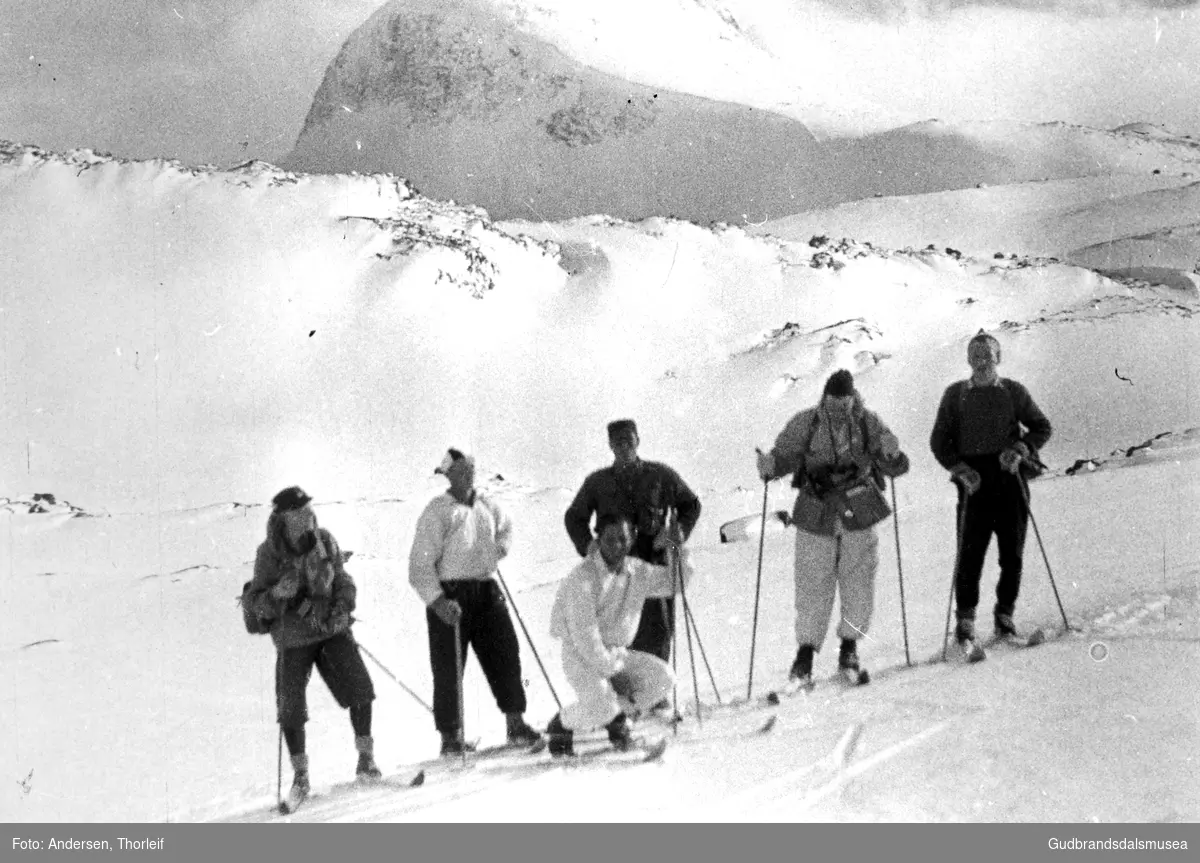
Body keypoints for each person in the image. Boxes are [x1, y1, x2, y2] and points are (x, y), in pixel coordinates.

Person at [757, 370, 910, 686]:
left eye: (844, 402)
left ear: (852, 398)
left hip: (858, 504)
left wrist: (892, 453)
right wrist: (770, 466)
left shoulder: (868, 422)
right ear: (824, 398)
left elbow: (894, 464)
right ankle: (805, 653)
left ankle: (849, 647)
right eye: (833, 402)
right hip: (818, 507)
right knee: (813, 581)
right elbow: (783, 458)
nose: (839, 407)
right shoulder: (806, 423)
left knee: (859, 579)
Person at [244, 486, 381, 811]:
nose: (308, 514)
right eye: (301, 510)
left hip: (330, 630)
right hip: (293, 639)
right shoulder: (268, 554)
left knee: (361, 688)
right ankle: (301, 775)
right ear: (285, 516)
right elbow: (255, 603)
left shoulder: (325, 539)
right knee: (290, 706)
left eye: (308, 509)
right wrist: (277, 593)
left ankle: (366, 758)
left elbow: (343, 580)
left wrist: (343, 608)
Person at [408, 448, 541, 756]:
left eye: (471, 469)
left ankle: (516, 723)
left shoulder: (487, 505)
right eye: (460, 471)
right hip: (450, 594)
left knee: (506, 654)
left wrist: (498, 550)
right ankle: (451, 737)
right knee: (449, 667)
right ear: (448, 475)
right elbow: (419, 565)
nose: (467, 475)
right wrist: (438, 601)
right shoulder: (438, 510)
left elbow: (506, 529)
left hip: (485, 589)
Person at [929, 331, 1052, 646]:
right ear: (969, 360)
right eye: (976, 356)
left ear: (999, 358)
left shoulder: (1013, 392)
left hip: (1009, 478)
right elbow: (939, 441)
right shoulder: (955, 395)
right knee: (970, 555)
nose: (982, 362)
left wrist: (1021, 450)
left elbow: (1041, 426)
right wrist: (960, 469)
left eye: (988, 355)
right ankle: (966, 623)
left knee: (1012, 554)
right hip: (973, 483)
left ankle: (1004, 616)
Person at [563, 419, 702, 675]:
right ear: (610, 446)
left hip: (653, 560)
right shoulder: (598, 482)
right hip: (614, 568)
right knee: (619, 627)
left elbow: (690, 505)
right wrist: (589, 546)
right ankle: (622, 690)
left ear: (638, 440)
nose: (624, 446)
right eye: (618, 442)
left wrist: (673, 537)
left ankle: (656, 692)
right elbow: (574, 517)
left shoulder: (660, 475)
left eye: (629, 440)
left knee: (659, 627)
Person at [545, 513, 688, 757]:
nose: (616, 546)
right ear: (598, 540)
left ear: (632, 539)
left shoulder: (637, 570)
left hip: (616, 654)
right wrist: (613, 672)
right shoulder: (582, 578)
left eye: (622, 539)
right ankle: (562, 723)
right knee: (602, 706)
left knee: (663, 678)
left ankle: (615, 718)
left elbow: (676, 583)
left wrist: (676, 545)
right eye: (609, 539)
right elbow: (585, 638)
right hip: (581, 658)